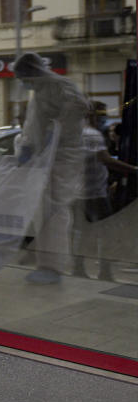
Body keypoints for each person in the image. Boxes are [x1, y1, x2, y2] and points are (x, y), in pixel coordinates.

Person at [12, 52, 89, 284]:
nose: (24, 83)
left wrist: (52, 137)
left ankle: (53, 267)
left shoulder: (60, 85)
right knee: (43, 211)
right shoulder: (41, 91)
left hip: (61, 158)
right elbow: (34, 124)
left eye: (24, 77)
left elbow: (79, 108)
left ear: (33, 73)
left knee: (55, 212)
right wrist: (26, 146)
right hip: (45, 160)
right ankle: (45, 263)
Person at [72, 101, 138, 279]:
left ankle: (78, 269)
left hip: (78, 192)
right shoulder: (93, 135)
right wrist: (133, 169)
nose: (105, 118)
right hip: (95, 193)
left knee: (83, 232)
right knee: (107, 233)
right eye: (102, 114)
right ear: (92, 114)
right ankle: (105, 272)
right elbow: (105, 159)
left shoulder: (75, 133)